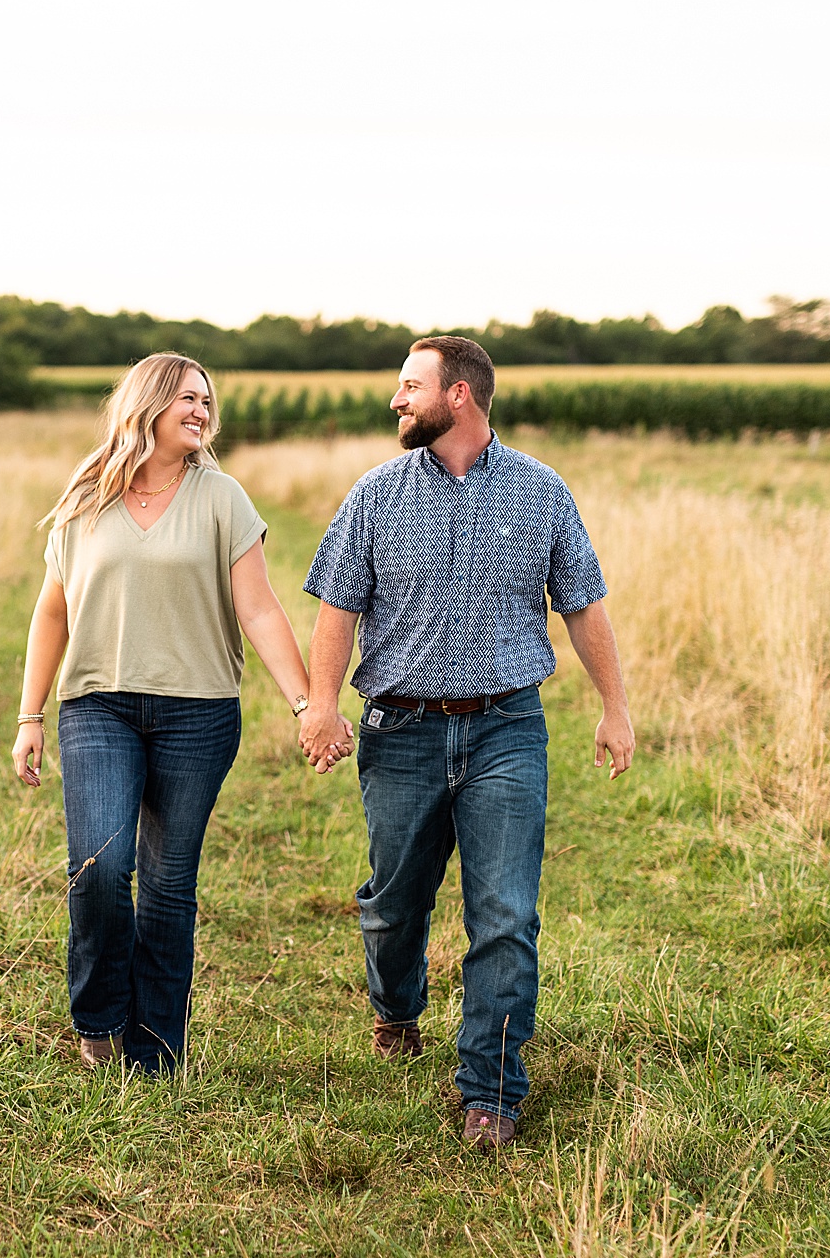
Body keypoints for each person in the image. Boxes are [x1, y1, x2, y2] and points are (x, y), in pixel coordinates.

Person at [297, 334, 634, 1150]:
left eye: (410, 386)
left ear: (459, 396)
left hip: (506, 728)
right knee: (394, 906)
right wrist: (321, 706)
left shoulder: (542, 492)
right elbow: (337, 609)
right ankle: (396, 1008)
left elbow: (582, 605)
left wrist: (615, 708)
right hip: (400, 730)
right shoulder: (375, 494)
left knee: (506, 916)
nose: (395, 400)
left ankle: (491, 1091)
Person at [11, 352, 327, 1076]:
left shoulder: (222, 499)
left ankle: (155, 1047)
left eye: (207, 401)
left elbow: (258, 608)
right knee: (99, 868)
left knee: (167, 883)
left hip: (199, 715)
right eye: (188, 397)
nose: (201, 411)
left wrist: (307, 701)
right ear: (148, 403)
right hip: (98, 704)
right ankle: (99, 1018)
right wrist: (30, 716)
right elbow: (53, 609)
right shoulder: (86, 497)